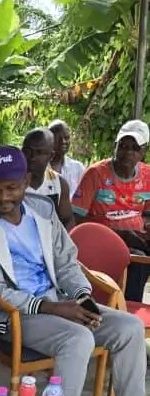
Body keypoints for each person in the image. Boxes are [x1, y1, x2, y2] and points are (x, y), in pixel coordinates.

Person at [0, 146, 150, 396]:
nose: (3, 198)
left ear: (26, 180)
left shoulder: (43, 212)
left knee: (128, 327)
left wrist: (82, 297)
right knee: (77, 339)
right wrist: (56, 308)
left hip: (59, 302)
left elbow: (66, 263)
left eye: (11, 188)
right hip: (13, 315)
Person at [72, 119, 150, 302]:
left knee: (141, 252)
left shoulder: (147, 176)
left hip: (137, 238)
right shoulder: (96, 174)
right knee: (136, 257)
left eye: (134, 148)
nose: (127, 152)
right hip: (101, 239)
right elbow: (76, 218)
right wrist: (118, 234)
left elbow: (147, 213)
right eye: (123, 146)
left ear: (144, 151)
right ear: (115, 146)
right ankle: (129, 306)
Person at [23, 128, 75, 231]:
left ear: (51, 155)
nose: (32, 157)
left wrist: (61, 242)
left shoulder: (59, 184)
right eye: (28, 151)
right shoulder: (12, 182)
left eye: (39, 152)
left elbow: (68, 220)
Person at [48, 119, 85, 197]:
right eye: (58, 138)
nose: (63, 141)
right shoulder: (40, 167)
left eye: (66, 137)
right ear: (49, 140)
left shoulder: (78, 168)